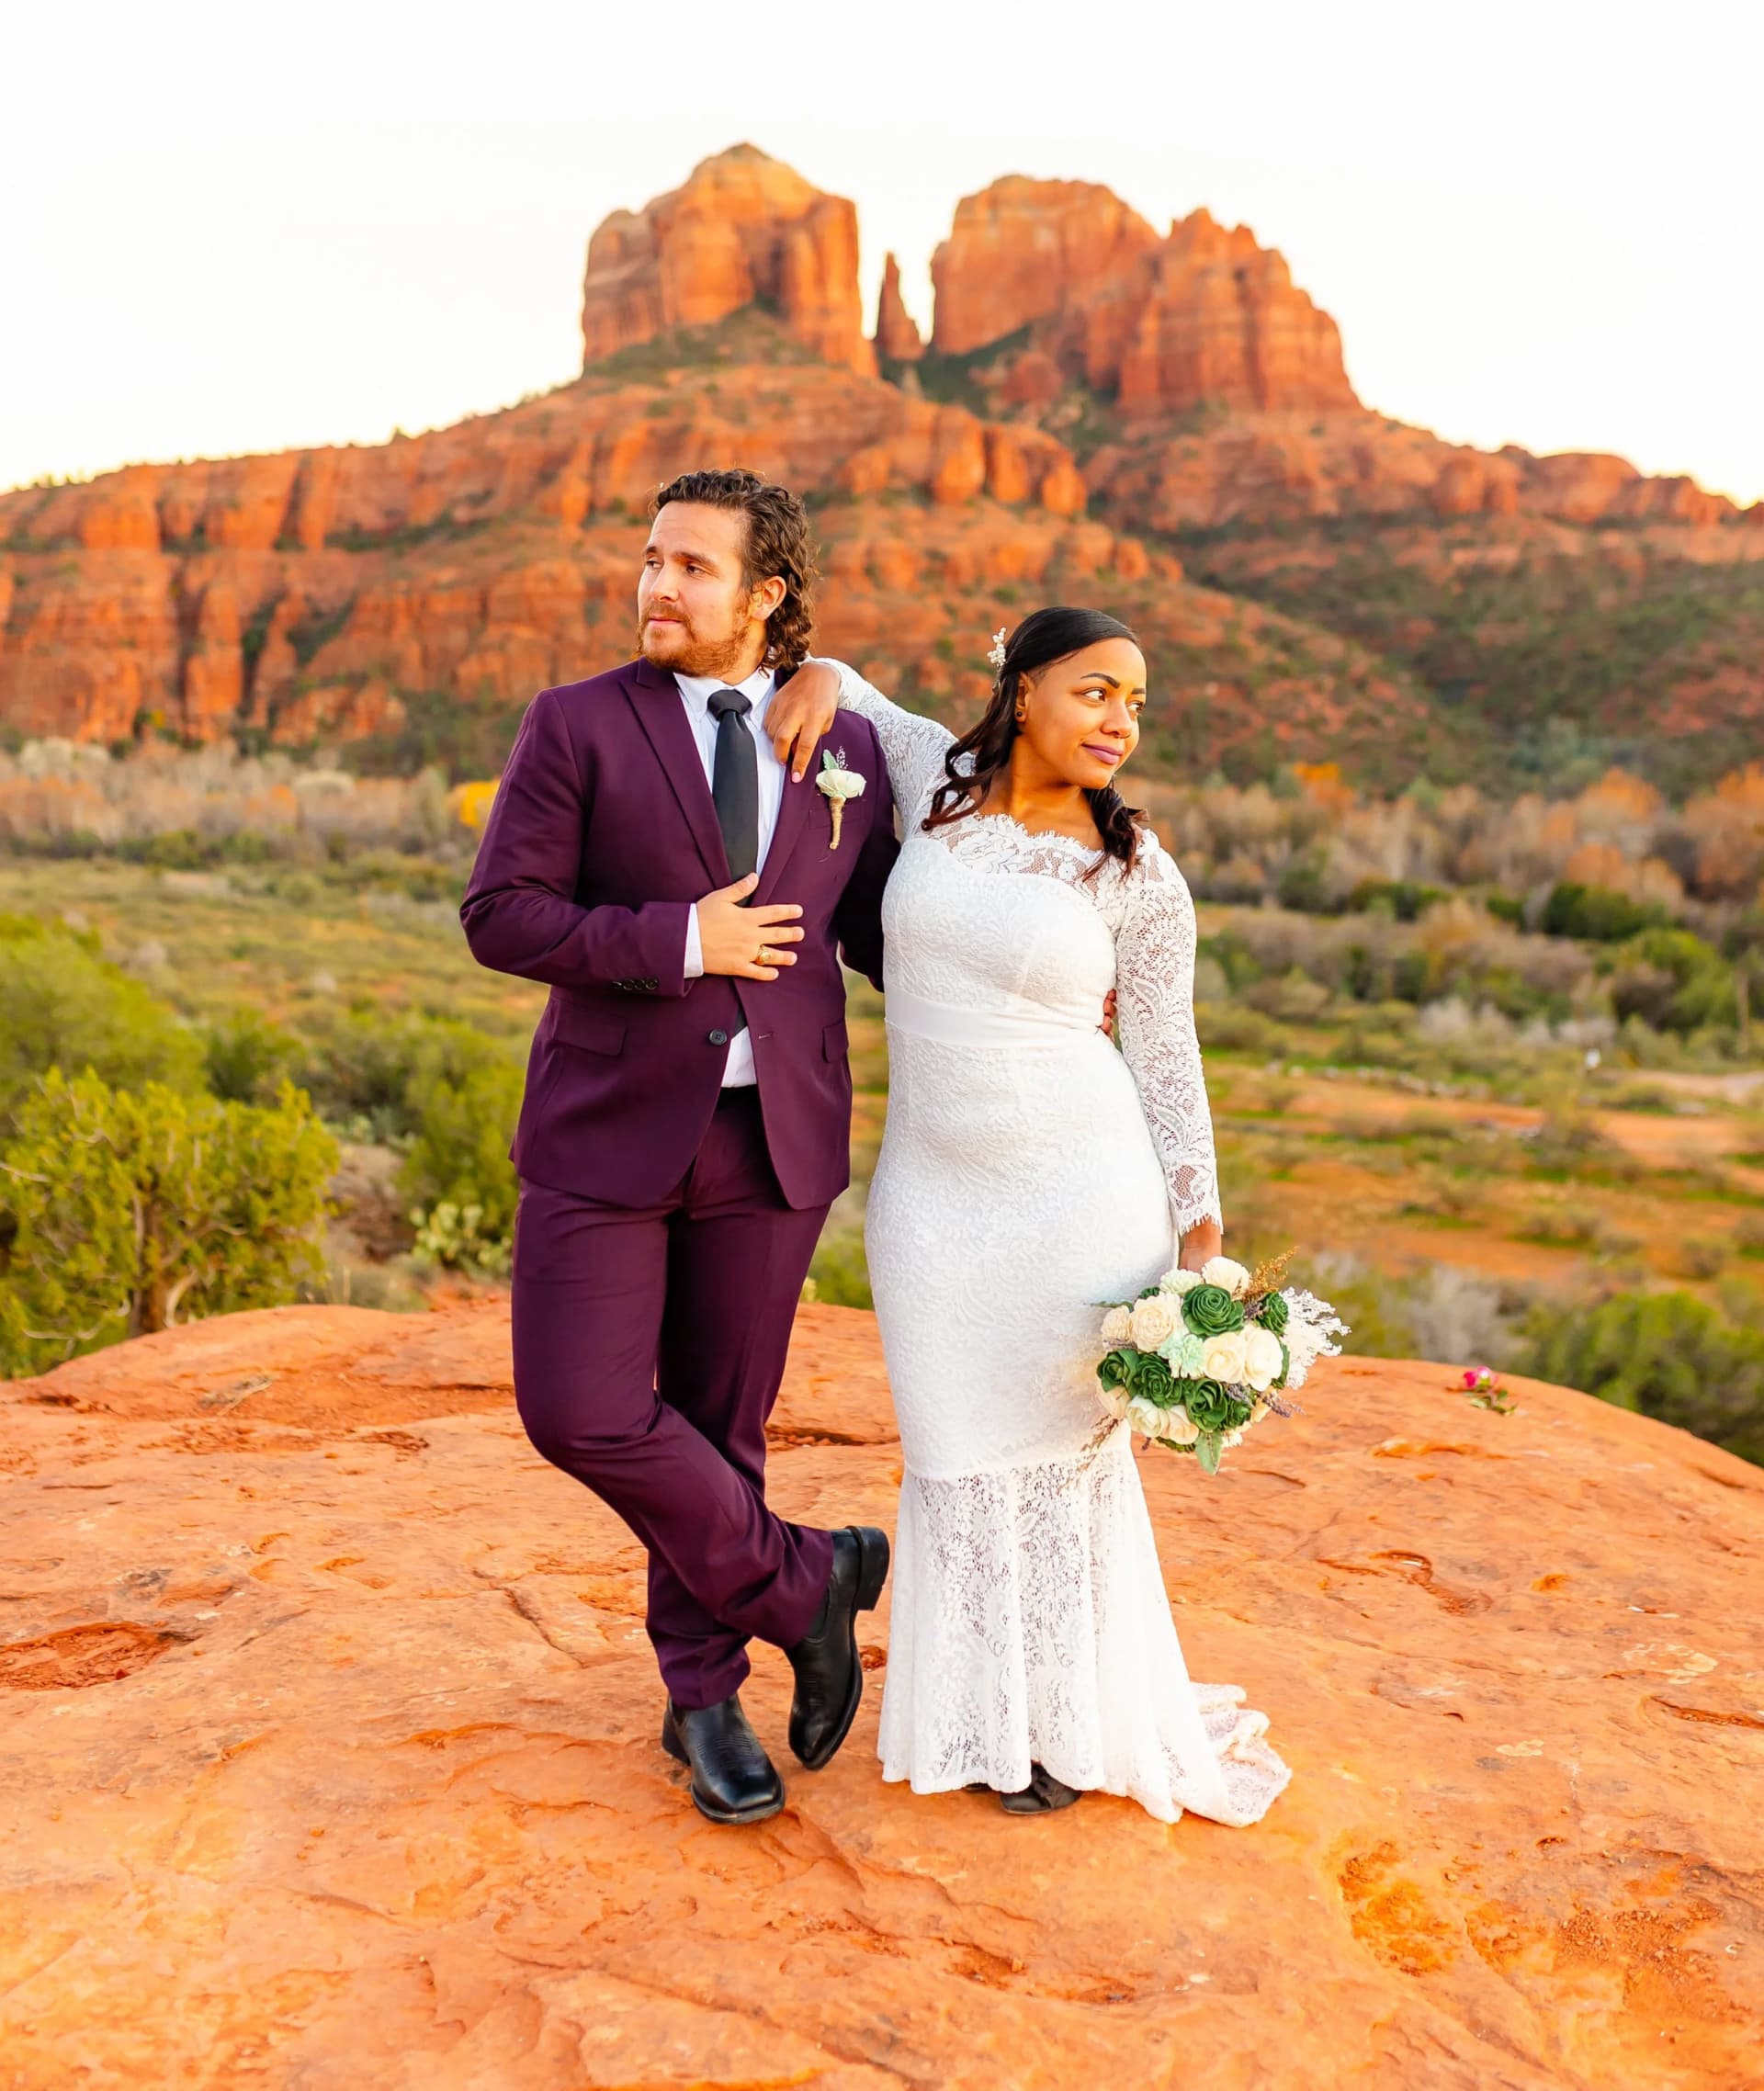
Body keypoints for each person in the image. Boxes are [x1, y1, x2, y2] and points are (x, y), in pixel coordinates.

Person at [763, 609, 1290, 1824]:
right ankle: (977, 1715)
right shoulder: (933, 780)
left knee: (1061, 1469)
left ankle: (1061, 1729)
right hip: (933, 1203)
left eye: (1138, 705)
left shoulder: (1136, 873)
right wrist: (823, 674)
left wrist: (1199, 1231)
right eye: (1099, 690)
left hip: (1082, 1195)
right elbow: (859, 695)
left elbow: (1166, 1053)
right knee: (956, 1453)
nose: (1121, 721)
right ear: (1024, 687)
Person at [460, 469, 897, 1827]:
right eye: (652, 560)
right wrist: (676, 942)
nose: (658, 586)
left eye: (693, 568)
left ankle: (702, 1699)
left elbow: (882, 935)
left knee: (720, 1427)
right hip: (604, 1130)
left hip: (775, 1140)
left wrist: (1059, 975)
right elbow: (502, 915)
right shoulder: (577, 724)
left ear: (766, 595)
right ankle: (804, 1581)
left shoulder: (851, 747)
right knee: (579, 1410)